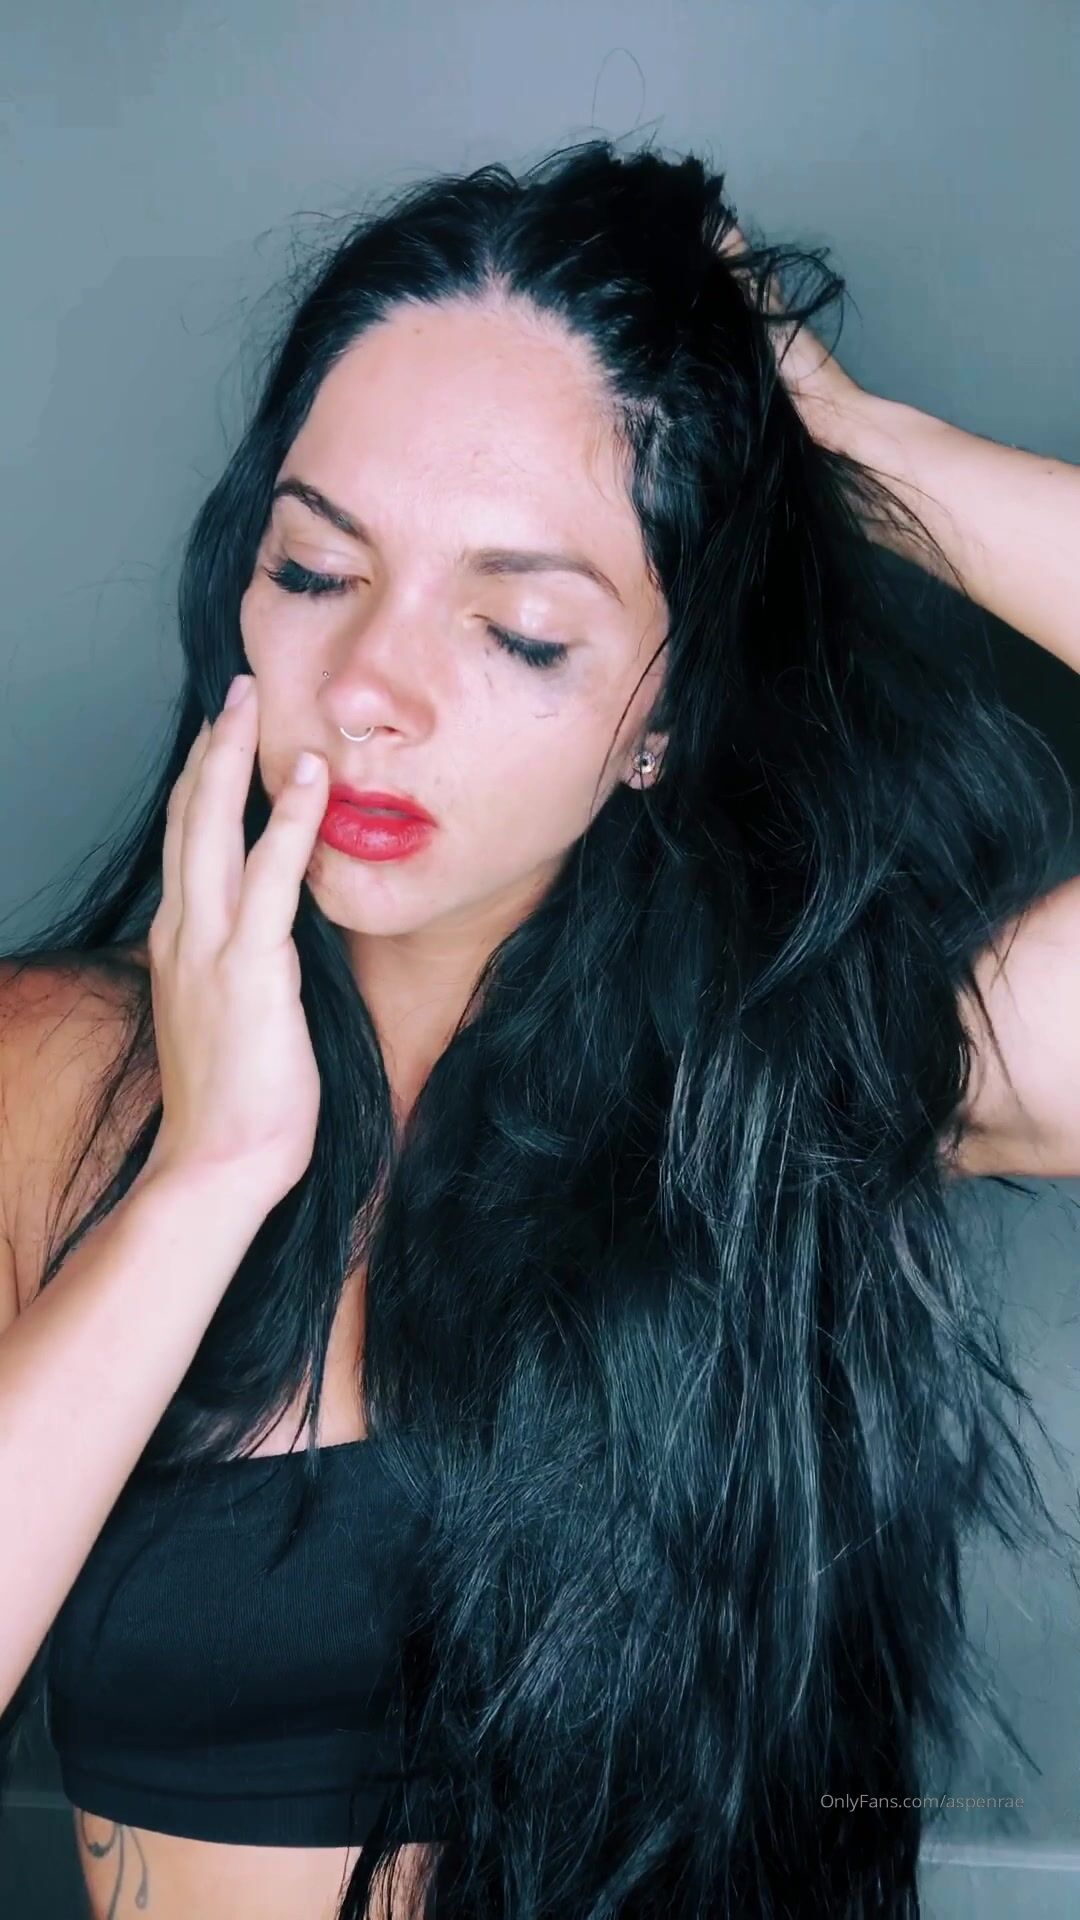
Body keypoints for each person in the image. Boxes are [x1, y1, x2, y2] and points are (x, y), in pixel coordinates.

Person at [0, 136, 1077, 1920]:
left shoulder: (791, 1075)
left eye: (517, 632)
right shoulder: (53, 1076)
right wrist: (206, 1177)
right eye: (314, 570)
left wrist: (866, 451)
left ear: (665, 711)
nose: (369, 692)